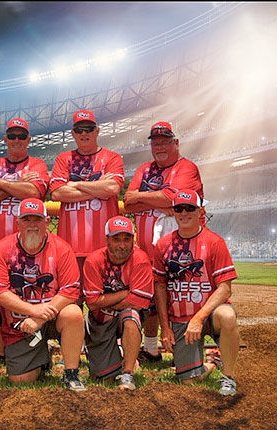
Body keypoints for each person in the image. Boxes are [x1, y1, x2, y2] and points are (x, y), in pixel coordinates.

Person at [124, 121, 204, 362]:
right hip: (147, 251)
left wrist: (144, 197)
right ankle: (150, 349)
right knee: (150, 300)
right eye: (155, 143)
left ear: (176, 143)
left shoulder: (187, 167)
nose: (159, 147)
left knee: (181, 297)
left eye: (165, 142)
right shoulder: (144, 169)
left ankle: (190, 349)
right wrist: (162, 201)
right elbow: (128, 202)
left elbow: (174, 199)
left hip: (182, 251)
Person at [0, 198, 86, 391]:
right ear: (18, 222)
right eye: (26, 219)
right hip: (21, 322)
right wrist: (33, 311)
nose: (32, 225)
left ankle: (71, 373)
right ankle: (43, 357)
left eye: (37, 219)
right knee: (21, 380)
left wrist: (39, 318)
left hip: (53, 316)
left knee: (73, 313)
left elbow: (70, 291)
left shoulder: (61, 248)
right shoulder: (2, 249)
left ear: (47, 222)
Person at [0, 118, 49, 365]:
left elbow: (35, 192)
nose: (16, 140)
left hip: (29, 249)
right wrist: (19, 184)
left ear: (28, 139)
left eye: (21, 136)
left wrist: (1, 183)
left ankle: (35, 350)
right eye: (12, 136)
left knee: (31, 298)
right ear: (5, 139)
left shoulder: (37, 164)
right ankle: (1, 352)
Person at [153, 190, 239, 396]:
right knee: (188, 380)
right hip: (181, 318)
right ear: (173, 212)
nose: (184, 213)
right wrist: (165, 328)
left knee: (227, 315)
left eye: (189, 208)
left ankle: (228, 377)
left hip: (208, 314)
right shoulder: (163, 245)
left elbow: (225, 288)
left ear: (200, 211)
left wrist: (199, 318)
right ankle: (212, 363)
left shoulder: (215, 242)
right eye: (179, 209)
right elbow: (160, 287)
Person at [50, 109, 124, 288]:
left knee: (105, 298)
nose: (84, 133)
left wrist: (74, 184)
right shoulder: (63, 159)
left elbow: (112, 188)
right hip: (70, 247)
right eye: (79, 130)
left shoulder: (112, 157)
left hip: (106, 248)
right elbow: (57, 193)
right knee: (72, 297)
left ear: (97, 131)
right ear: (73, 133)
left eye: (89, 129)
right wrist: (98, 187)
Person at [82, 216, 154, 390]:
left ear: (133, 240)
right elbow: (92, 303)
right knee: (103, 377)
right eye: (116, 239)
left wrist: (104, 301)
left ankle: (128, 373)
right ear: (107, 239)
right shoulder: (93, 260)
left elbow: (138, 302)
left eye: (127, 239)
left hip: (124, 316)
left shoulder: (141, 259)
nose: (122, 245)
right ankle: (122, 353)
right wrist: (125, 293)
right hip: (100, 321)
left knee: (131, 315)